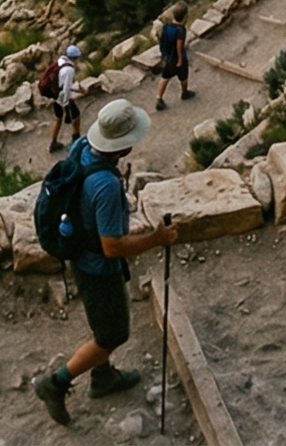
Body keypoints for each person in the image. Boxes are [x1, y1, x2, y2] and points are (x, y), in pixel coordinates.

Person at [32, 99, 180, 426]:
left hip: (80, 253)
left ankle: (103, 377)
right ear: (123, 146)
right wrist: (157, 238)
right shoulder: (106, 185)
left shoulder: (83, 147)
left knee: (104, 322)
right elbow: (111, 246)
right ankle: (54, 383)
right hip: (96, 268)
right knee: (111, 336)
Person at [152, 4, 190, 109]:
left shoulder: (166, 26)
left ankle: (159, 98)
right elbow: (179, 45)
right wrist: (180, 60)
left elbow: (162, 41)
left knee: (165, 77)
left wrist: (164, 56)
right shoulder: (181, 30)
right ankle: (185, 92)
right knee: (183, 77)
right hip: (178, 58)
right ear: (185, 16)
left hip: (168, 58)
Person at [49, 45, 84, 150]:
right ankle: (76, 140)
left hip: (55, 95)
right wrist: (66, 106)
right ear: (75, 58)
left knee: (58, 120)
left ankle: (53, 143)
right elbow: (67, 88)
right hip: (63, 98)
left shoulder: (60, 61)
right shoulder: (69, 69)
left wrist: (79, 89)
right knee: (76, 117)